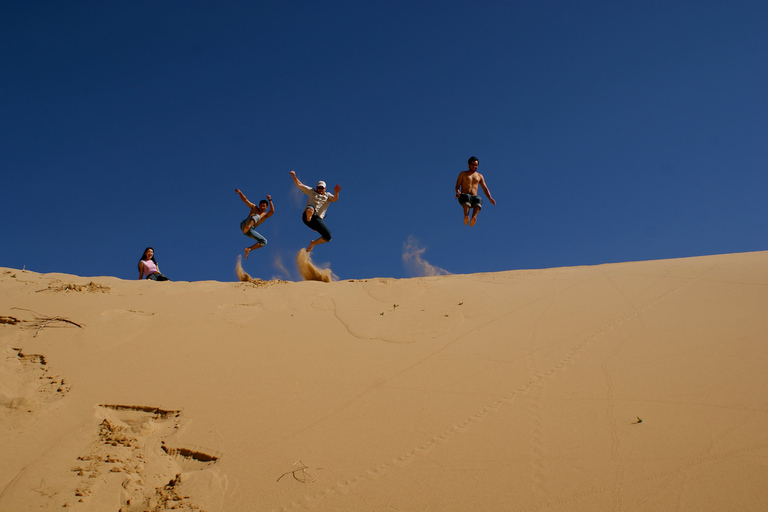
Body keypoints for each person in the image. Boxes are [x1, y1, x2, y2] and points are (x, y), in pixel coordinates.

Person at [290, 170, 341, 252]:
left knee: (328, 237)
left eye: (322, 188)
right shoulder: (311, 191)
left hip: (317, 220)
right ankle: (309, 216)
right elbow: (299, 184)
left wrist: (336, 192)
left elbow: (335, 199)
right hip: (306, 216)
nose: (320, 189)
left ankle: (313, 244)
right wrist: (294, 176)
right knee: (310, 208)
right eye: (319, 187)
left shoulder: (327, 195)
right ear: (316, 187)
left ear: (325, 188)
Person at [455, 156, 496, 226]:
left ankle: (474, 217)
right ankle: (466, 216)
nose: (474, 166)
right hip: (464, 196)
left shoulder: (479, 176)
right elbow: (457, 186)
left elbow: (485, 188)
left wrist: (490, 198)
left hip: (474, 197)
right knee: (467, 198)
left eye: (476, 165)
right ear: (469, 164)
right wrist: (458, 192)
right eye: (473, 164)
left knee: (479, 199)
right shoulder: (463, 174)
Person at [236, 189, 275, 259]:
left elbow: (272, 211)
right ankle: (248, 226)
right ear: (259, 205)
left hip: (249, 231)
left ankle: (249, 249)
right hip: (245, 224)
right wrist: (240, 193)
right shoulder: (254, 207)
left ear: (266, 207)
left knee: (264, 241)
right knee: (257, 216)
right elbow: (245, 200)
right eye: (261, 206)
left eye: (264, 206)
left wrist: (270, 200)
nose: (262, 208)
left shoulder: (265, 215)